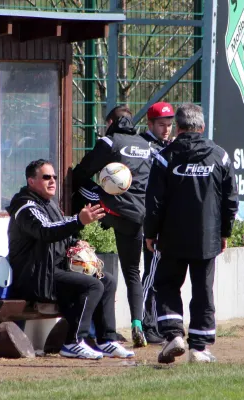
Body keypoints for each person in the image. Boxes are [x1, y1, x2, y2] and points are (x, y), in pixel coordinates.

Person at [6, 159, 134, 359]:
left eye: (55, 177)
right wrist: (78, 221)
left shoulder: (49, 204)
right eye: (46, 177)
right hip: (35, 276)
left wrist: (76, 242)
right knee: (93, 286)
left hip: (52, 271)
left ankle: (106, 340)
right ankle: (73, 342)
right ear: (31, 181)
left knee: (107, 280)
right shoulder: (25, 207)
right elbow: (45, 231)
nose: (53, 181)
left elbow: (60, 231)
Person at [144, 103, 239, 363]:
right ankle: (199, 348)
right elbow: (231, 200)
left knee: (167, 285)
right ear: (202, 127)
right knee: (203, 290)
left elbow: (153, 201)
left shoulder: (165, 156)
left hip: (171, 237)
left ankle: (173, 335)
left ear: (178, 126)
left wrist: (150, 233)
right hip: (207, 237)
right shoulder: (219, 156)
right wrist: (224, 232)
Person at [71, 105, 151, 348]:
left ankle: (72, 241)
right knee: (132, 271)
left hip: (109, 207)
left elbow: (82, 171)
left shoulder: (110, 141)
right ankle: (138, 323)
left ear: (110, 122)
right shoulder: (146, 145)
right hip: (137, 216)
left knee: (75, 190)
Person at [139, 102, 174, 345]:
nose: (166, 129)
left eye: (170, 125)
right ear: (150, 124)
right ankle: (144, 324)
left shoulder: (170, 147)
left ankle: (160, 324)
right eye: (161, 124)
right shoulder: (143, 147)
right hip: (148, 219)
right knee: (150, 275)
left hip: (168, 220)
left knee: (163, 275)